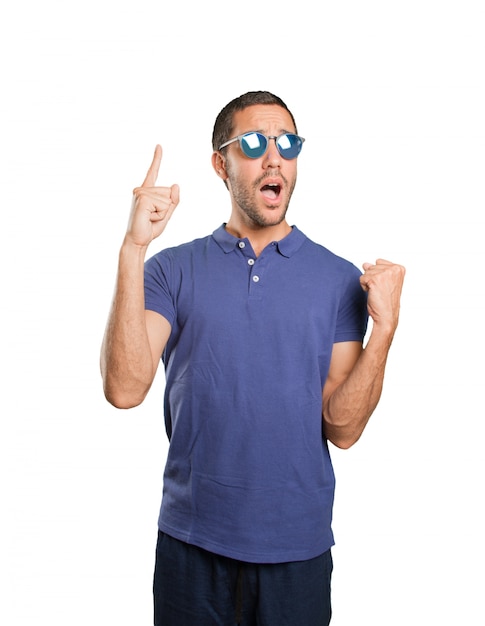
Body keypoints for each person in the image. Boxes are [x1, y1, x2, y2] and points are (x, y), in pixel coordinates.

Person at [100, 90, 405, 626]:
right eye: (255, 143)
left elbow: (343, 427)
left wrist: (385, 329)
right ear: (221, 163)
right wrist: (133, 248)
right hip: (191, 547)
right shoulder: (172, 270)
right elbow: (125, 389)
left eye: (287, 144)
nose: (274, 158)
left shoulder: (338, 280)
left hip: (297, 556)